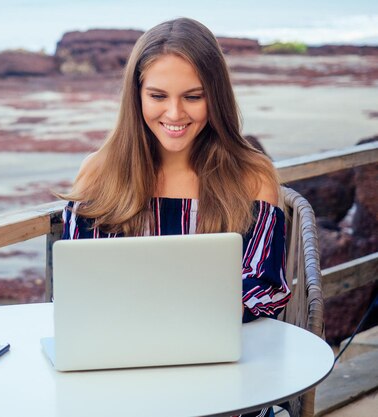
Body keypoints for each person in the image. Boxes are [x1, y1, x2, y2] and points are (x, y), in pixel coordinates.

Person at [58, 18, 291, 417]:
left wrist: (179, 325)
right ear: (137, 96)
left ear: (215, 96)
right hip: (118, 373)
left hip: (225, 377)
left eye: (194, 96)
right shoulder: (98, 173)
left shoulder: (252, 176)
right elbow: (78, 288)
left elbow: (264, 287)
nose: (175, 113)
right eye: (158, 95)